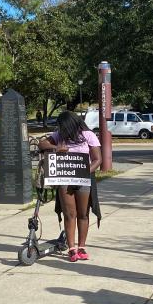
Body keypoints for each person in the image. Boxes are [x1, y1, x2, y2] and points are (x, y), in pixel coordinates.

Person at [37, 111, 102, 261]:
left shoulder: (88, 135)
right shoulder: (59, 135)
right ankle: (72, 248)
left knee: (83, 214)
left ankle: (82, 247)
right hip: (65, 179)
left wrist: (84, 173)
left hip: (83, 179)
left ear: (70, 125)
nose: (61, 130)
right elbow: (42, 144)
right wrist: (55, 149)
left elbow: (97, 160)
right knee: (69, 214)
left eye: (63, 127)